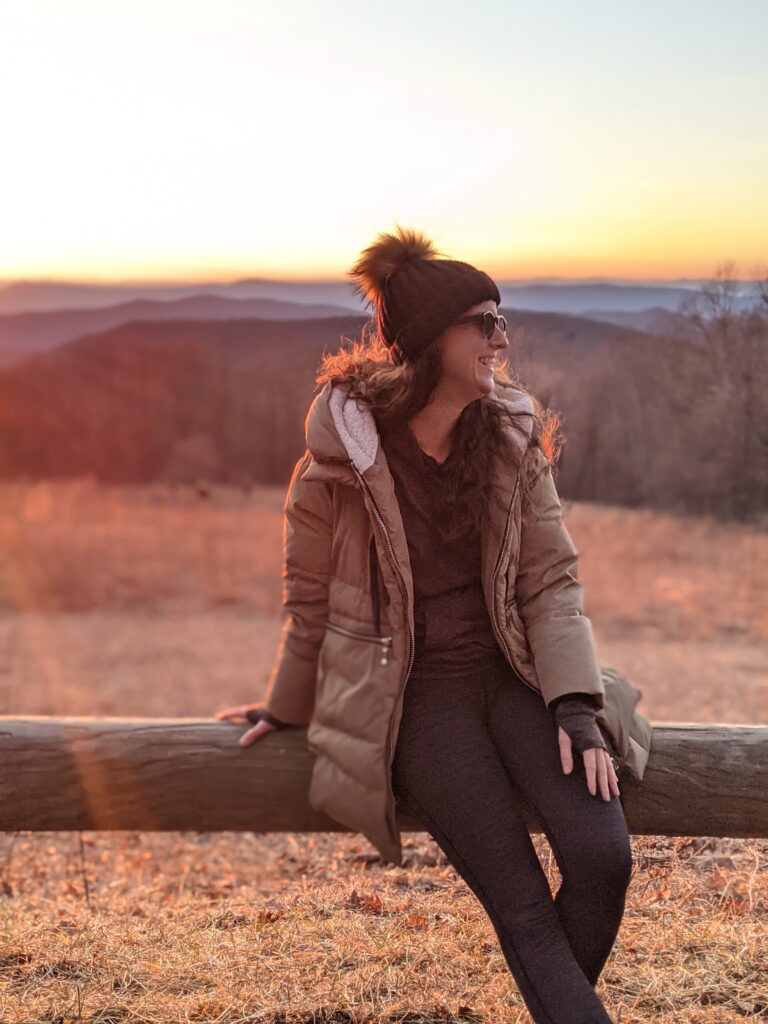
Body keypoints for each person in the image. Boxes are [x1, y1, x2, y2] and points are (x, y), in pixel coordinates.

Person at [215, 225, 652, 1024]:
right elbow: (311, 603)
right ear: (427, 340)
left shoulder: (511, 440)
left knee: (604, 857)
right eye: (483, 322)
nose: (502, 337)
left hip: (515, 676)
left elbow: (550, 581)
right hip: (418, 701)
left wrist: (577, 707)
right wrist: (285, 704)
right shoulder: (338, 465)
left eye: (502, 318)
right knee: (523, 912)